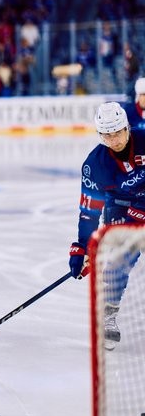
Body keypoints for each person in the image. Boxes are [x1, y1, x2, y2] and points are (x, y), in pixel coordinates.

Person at [69, 102, 145, 350]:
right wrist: (82, 248)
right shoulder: (95, 165)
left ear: (127, 127)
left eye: (118, 132)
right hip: (120, 208)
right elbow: (89, 211)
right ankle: (108, 314)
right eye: (107, 135)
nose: (114, 140)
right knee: (118, 262)